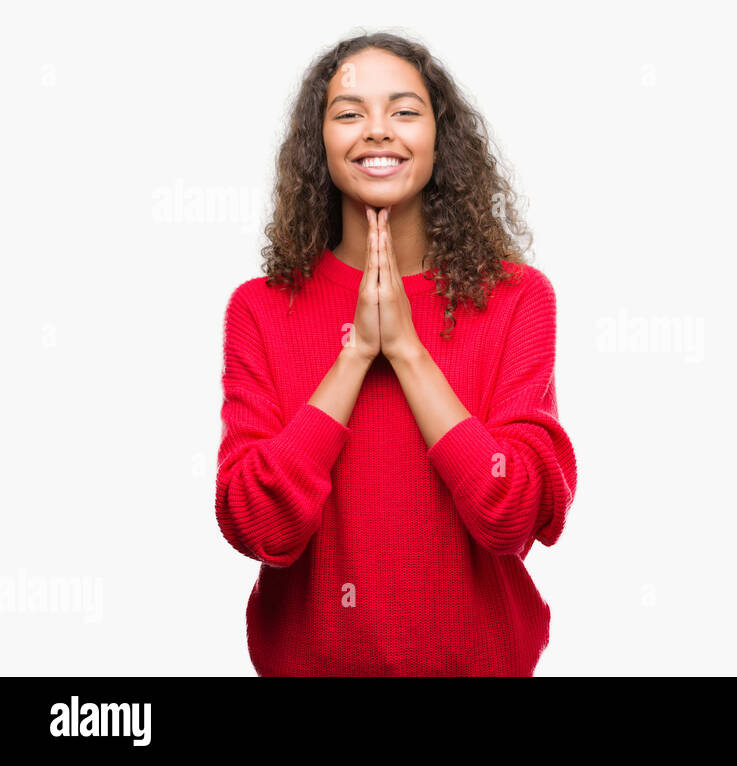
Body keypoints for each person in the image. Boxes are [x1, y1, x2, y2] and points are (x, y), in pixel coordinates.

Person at [214, 32, 577, 676]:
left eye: (404, 111)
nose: (377, 131)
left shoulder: (519, 299)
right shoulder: (259, 310)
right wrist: (355, 355)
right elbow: (261, 526)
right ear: (317, 145)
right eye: (349, 113)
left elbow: (511, 512)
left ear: (441, 139)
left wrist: (407, 350)